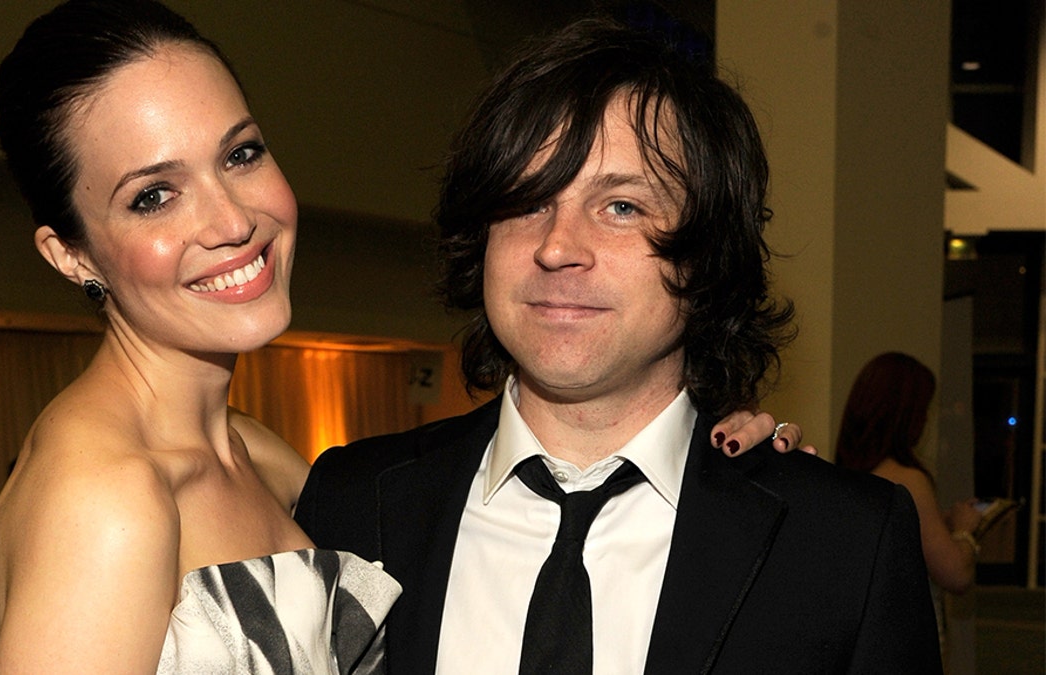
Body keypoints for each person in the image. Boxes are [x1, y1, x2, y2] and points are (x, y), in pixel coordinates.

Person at [0, 2, 794, 672]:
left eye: (241, 154)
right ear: (70, 250)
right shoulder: (107, 500)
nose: (230, 220)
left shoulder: (267, 461)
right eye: (154, 195)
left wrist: (725, 468)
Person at [295, 17, 943, 674]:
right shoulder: (353, 501)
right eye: (525, 202)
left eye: (622, 207)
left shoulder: (842, 544)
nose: (556, 246)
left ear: (708, 254)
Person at [835, 352, 983, 646]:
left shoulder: (848, 473)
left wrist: (939, 522)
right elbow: (955, 574)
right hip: (902, 638)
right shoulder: (907, 479)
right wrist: (966, 530)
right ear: (906, 414)